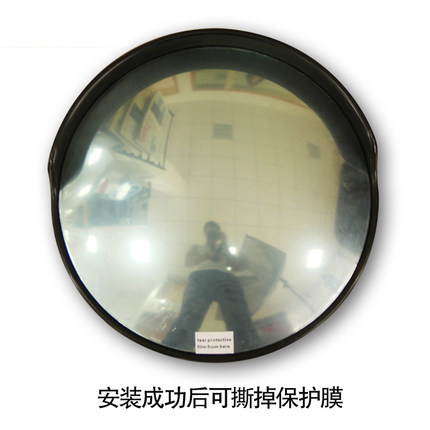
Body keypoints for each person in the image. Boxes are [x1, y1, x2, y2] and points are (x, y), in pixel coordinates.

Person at [162, 221, 259, 352]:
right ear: (205, 234)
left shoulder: (226, 250)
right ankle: (174, 351)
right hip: (201, 277)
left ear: (220, 232)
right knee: (188, 316)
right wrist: (207, 255)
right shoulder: (197, 247)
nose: (212, 234)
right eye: (209, 232)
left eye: (214, 232)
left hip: (225, 278)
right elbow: (188, 262)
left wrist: (225, 247)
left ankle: (248, 352)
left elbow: (238, 266)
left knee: (239, 317)